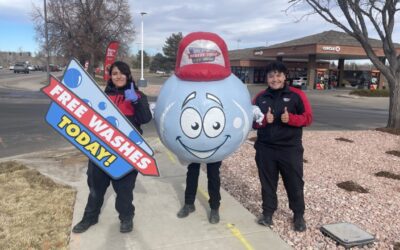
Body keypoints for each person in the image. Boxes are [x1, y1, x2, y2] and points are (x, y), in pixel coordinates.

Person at [72, 61, 152, 233]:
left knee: (124, 190)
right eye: (115, 73)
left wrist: (136, 101)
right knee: (96, 188)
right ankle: (89, 218)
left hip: (126, 152)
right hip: (101, 151)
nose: (119, 76)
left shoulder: (138, 95)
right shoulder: (102, 97)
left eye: (122, 73)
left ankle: (126, 218)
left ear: (128, 75)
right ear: (111, 76)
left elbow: (145, 119)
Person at [252, 61, 312, 232]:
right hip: (265, 149)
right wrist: (263, 121)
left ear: (285, 77)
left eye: (278, 75)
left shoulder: (297, 95)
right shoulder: (260, 97)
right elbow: (251, 122)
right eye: (271, 76)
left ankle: (298, 215)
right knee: (267, 183)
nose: (275, 79)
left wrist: (291, 119)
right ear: (267, 78)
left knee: (294, 183)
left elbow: (308, 118)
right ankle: (268, 213)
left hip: (290, 149)